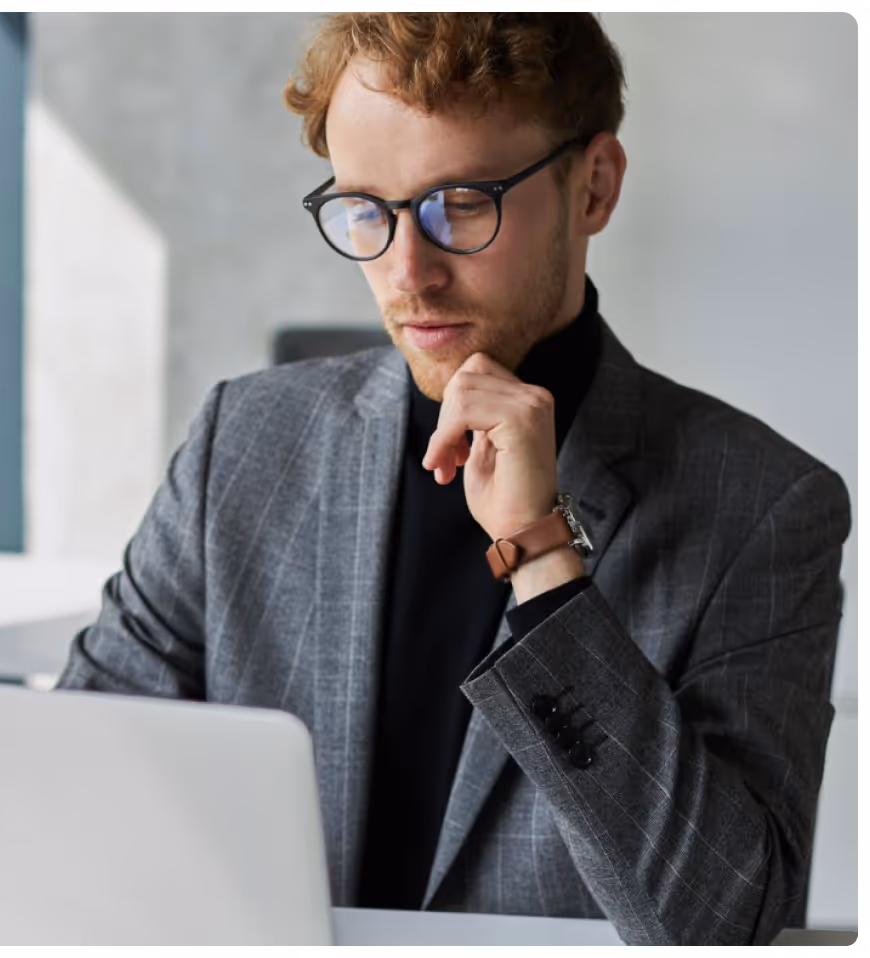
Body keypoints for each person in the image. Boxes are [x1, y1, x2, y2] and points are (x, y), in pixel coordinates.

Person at [54, 13, 850, 946]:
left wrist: (547, 566)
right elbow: (75, 794)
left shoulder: (763, 505)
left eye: (460, 204)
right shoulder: (246, 443)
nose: (407, 273)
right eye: (366, 209)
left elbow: (727, 928)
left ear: (594, 186)